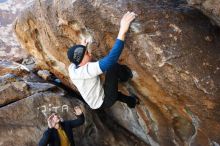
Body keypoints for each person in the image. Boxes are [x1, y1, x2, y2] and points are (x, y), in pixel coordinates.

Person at [67, 12, 139, 109]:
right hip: (104, 101)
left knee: (115, 94)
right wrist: (122, 30)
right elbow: (111, 60)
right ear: (81, 61)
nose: (90, 54)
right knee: (113, 68)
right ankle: (125, 76)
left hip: (95, 101)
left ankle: (132, 102)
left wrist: (82, 47)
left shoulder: (72, 68)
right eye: (87, 53)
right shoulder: (85, 71)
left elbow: (76, 58)